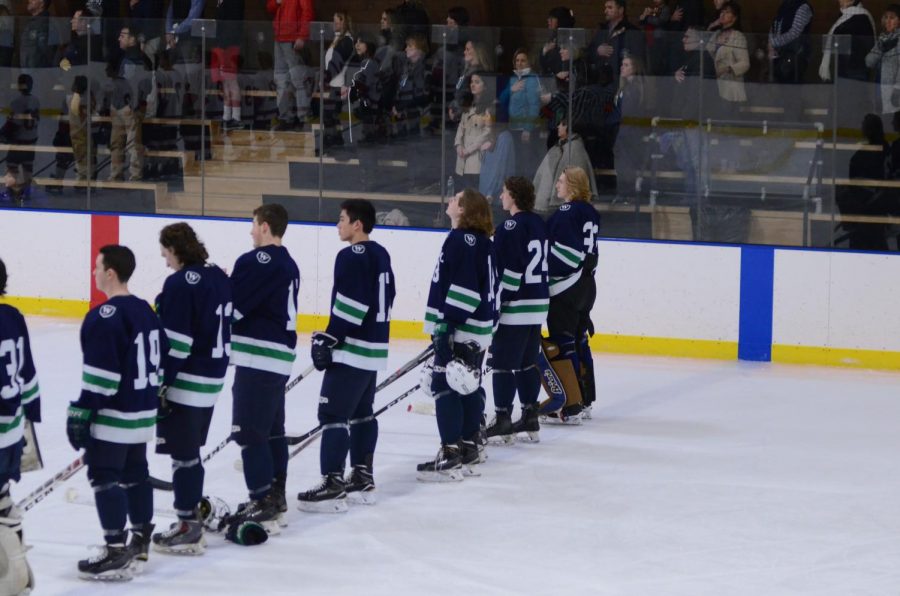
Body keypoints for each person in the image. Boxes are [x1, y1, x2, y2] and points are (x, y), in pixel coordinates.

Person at [66, 245, 167, 581]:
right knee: (136, 473)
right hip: (143, 412)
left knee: (104, 476)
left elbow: (101, 379)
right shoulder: (145, 310)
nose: (93, 272)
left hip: (115, 414)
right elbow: (161, 361)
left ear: (110, 272)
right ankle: (139, 542)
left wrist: (82, 411)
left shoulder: (105, 316)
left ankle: (114, 551)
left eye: (97, 266)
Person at [297, 199, 395, 511]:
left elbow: (352, 306)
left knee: (333, 415)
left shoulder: (350, 255)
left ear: (357, 224)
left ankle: (333, 482)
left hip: (352, 349)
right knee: (362, 413)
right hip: (374, 347)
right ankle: (362, 477)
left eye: (342, 219)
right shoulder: (381, 253)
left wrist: (329, 338)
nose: (337, 225)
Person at [151, 223, 232, 554]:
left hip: (188, 380)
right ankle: (190, 521)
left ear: (176, 250)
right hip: (212, 377)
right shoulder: (219, 276)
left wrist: (159, 384)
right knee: (189, 454)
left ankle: (188, 527)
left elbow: (178, 346)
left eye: (166, 254)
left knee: (184, 457)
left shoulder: (180, 282)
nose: (166, 261)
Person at [227, 204, 300, 531]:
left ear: (266, 227)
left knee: (249, 430)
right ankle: (275, 496)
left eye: (254, 225)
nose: (251, 231)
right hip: (278, 356)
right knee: (272, 430)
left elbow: (235, 307)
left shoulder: (258, 259)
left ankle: (261, 500)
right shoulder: (289, 262)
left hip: (258, 354)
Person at [418, 189, 497, 481]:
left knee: (446, 386)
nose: (450, 200)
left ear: (464, 210)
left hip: (460, 328)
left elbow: (464, 291)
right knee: (467, 385)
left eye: (456, 199)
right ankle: (468, 447)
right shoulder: (483, 243)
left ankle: (450, 453)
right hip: (479, 328)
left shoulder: (459, 241)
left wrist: (446, 326)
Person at [484, 178, 548, 445]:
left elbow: (509, 272)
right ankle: (530, 415)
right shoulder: (539, 224)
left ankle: (502, 419)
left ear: (514, 197)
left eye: (504, 193)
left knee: (501, 364)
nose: (501, 197)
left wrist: (496, 306)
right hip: (537, 305)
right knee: (526, 361)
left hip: (516, 306)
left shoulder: (509, 227)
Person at [543, 167, 600, 421]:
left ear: (574, 187)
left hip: (567, 288)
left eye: (562, 181)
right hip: (588, 286)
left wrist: (541, 273)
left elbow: (566, 256)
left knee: (564, 342)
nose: (557, 185)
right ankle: (585, 400)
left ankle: (570, 405)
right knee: (580, 340)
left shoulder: (567, 211)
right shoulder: (592, 212)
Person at [0, 258, 39, 595]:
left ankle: (14, 578)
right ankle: (19, 574)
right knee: (2, 501)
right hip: (12, 431)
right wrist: (30, 421)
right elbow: (28, 375)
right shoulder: (12, 316)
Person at [533, 118, 598, 215]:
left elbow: (576, 181)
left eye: (563, 124)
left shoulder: (575, 148)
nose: (558, 127)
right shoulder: (559, 146)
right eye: (559, 124)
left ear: (570, 128)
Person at [268, 0, 314, 131]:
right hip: (279, 37)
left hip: (292, 38)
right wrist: (276, 2)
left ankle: (303, 118)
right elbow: (270, 7)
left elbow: (307, 11)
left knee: (298, 79)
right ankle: (285, 117)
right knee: (281, 79)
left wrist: (302, 36)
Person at [587, 0, 643, 86]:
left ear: (621, 10)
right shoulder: (602, 29)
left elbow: (638, 60)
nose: (605, 11)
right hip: (600, 81)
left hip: (623, 82)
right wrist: (597, 51)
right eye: (605, 8)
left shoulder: (632, 31)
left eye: (610, 7)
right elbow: (589, 53)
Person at [454, 72, 494, 190]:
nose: (473, 85)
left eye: (477, 82)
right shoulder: (468, 105)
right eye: (472, 82)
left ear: (485, 86)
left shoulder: (488, 108)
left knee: (474, 190)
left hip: (475, 157)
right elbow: (461, 128)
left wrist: (468, 150)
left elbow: (487, 132)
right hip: (462, 156)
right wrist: (458, 145)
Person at [819, 0, 875, 83]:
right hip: (843, 67)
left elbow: (865, 44)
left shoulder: (861, 17)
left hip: (855, 70)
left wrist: (838, 43)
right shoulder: (845, 15)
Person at [708, 2, 749, 115]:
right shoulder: (716, 34)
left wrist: (727, 69)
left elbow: (744, 63)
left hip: (730, 85)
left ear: (734, 18)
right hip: (713, 85)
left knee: (726, 118)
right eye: (722, 11)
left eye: (727, 12)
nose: (723, 14)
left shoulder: (738, 36)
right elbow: (705, 54)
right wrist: (710, 27)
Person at [212, 0, 245, 131]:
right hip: (222, 43)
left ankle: (236, 117)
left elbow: (234, 22)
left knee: (232, 80)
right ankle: (226, 116)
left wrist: (226, 43)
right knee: (225, 81)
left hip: (230, 43)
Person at [768, 0, 813, 84]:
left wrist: (773, 42)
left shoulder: (803, 7)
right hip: (780, 54)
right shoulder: (784, 5)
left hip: (795, 57)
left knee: (792, 91)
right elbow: (775, 24)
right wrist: (771, 42)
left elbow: (794, 32)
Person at [866, 5, 900, 114]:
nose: (888, 21)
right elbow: (868, 62)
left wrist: (898, 88)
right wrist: (881, 48)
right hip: (879, 86)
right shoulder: (882, 38)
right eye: (886, 17)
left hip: (894, 91)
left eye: (892, 18)